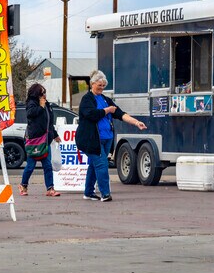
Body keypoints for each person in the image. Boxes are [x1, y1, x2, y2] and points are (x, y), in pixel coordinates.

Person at [76, 70, 147, 202]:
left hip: (106, 139)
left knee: (94, 165)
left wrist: (136, 122)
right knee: (102, 164)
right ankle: (105, 194)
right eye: (99, 85)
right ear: (92, 83)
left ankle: (88, 192)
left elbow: (120, 114)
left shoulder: (106, 99)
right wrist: (107, 110)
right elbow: (91, 114)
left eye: (103, 85)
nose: (102, 88)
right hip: (91, 140)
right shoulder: (87, 99)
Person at [18, 83, 62, 197]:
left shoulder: (47, 105)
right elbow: (30, 114)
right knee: (30, 166)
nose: (44, 95)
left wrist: (55, 135)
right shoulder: (31, 103)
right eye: (42, 92)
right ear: (36, 93)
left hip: (46, 139)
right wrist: (41, 106)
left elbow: (49, 123)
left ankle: (50, 188)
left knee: (47, 165)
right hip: (35, 140)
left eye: (45, 92)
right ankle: (23, 185)